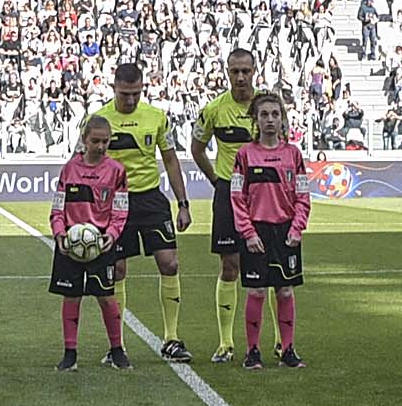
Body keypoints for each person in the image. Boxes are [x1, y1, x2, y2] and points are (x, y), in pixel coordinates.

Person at [98, 60, 196, 364]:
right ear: (113, 88)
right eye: (125, 94)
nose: (130, 100)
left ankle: (171, 338)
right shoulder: (98, 119)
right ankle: (118, 346)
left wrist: (182, 203)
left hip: (151, 199)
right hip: (115, 202)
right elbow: (85, 162)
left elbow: (169, 160)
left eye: (136, 94)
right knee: (118, 270)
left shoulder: (156, 117)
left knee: (169, 264)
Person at [228, 86, 313, 369]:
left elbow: (303, 196)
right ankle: (253, 351)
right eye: (264, 114)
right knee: (256, 292)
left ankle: (287, 349)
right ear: (255, 120)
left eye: (275, 114)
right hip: (256, 232)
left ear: (282, 119)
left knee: (285, 291)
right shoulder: (244, 155)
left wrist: (297, 229)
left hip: (286, 231)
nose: (270, 120)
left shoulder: (294, 155)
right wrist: (248, 233)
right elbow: (236, 198)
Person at [191, 50, 262, 366]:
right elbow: (197, 147)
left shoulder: (267, 107)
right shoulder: (214, 110)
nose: (241, 77)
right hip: (227, 193)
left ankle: (274, 343)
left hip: (264, 193)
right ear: (227, 72)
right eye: (235, 71)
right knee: (230, 265)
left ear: (254, 71)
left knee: (268, 267)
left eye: (246, 70)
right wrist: (217, 179)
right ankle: (225, 343)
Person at [50, 110, 134, 371]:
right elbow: (57, 209)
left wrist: (111, 235)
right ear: (84, 140)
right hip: (70, 245)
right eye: (95, 141)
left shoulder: (117, 171)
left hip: (101, 245)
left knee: (106, 297)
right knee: (71, 297)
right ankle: (70, 353)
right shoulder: (69, 169)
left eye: (105, 141)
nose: (100, 146)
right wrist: (60, 234)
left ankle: (117, 350)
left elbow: (120, 210)